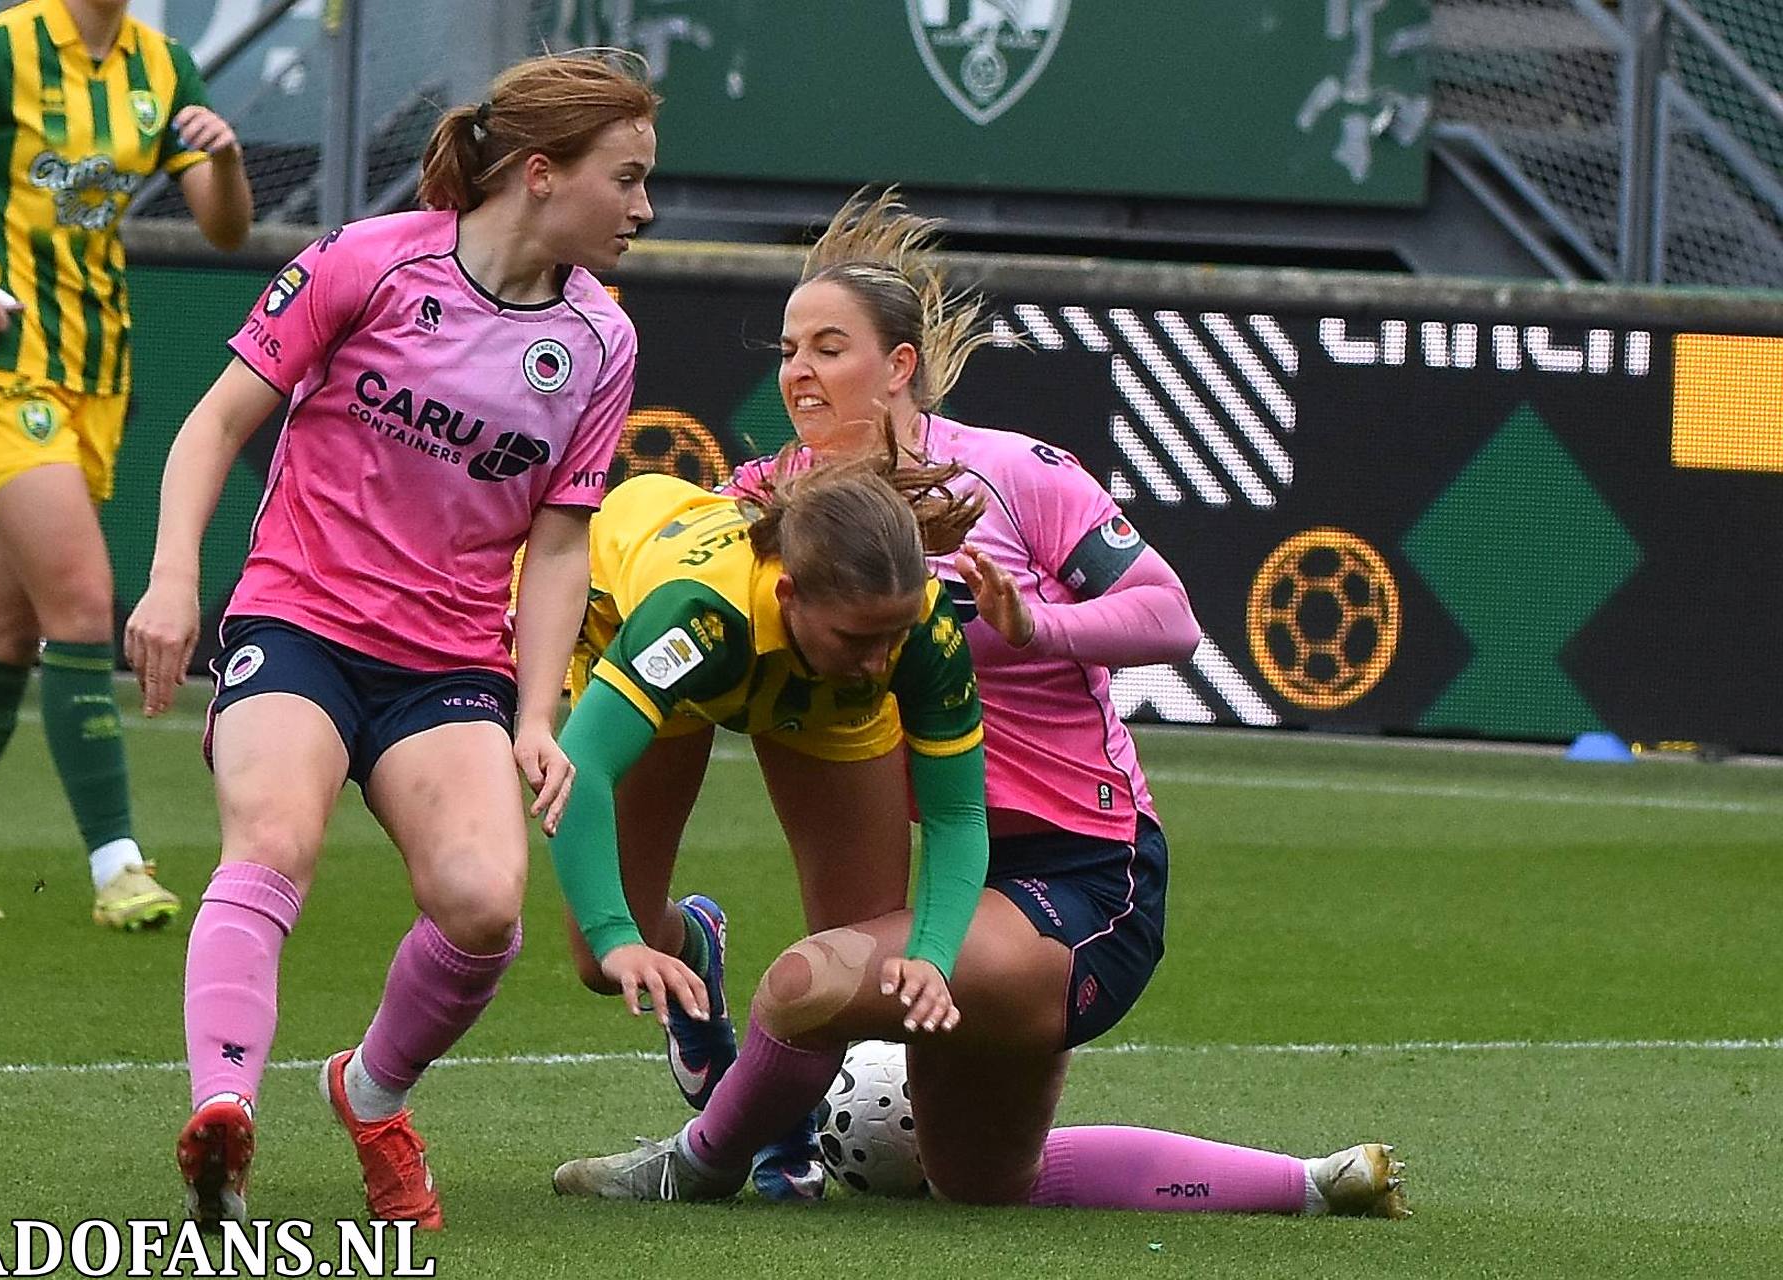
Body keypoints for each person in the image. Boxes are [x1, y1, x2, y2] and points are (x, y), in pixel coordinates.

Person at [552, 191, 1409, 1217]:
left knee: (811, 984)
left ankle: (706, 1163)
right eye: (788, 349)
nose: (798, 372)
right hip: (971, 879)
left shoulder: (1012, 474)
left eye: (830, 347)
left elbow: (1171, 616)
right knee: (982, 1177)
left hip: (1083, 867)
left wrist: (1042, 626)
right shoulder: (775, 499)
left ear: (900, 365)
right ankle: (1312, 1184)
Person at [121, 51, 657, 1228]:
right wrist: (171, 580)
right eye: (624, 178)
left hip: (449, 660)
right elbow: (213, 425)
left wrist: (534, 715)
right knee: (271, 835)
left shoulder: (603, 342)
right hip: (297, 618)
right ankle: (224, 1111)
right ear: (538, 172)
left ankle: (370, 1094)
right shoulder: (367, 261)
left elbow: (561, 544)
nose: (643, 207)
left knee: (482, 906)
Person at [0, 0, 253, 929]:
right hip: (2, 369)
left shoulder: (164, 67)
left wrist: (229, 160)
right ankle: (117, 865)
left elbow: (226, 230)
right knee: (82, 601)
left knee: (4, 634)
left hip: (97, 373)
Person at [547, 451, 996, 1106]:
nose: (879, 664)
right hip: (652, 644)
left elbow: (958, 814)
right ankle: (696, 944)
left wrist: (931, 952)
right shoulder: (695, 619)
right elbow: (582, 762)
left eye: (893, 638)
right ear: (790, 595)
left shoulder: (919, 627)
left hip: (816, 690)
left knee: (856, 976)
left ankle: (776, 1128)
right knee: (605, 961)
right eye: (859, 639)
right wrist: (616, 940)